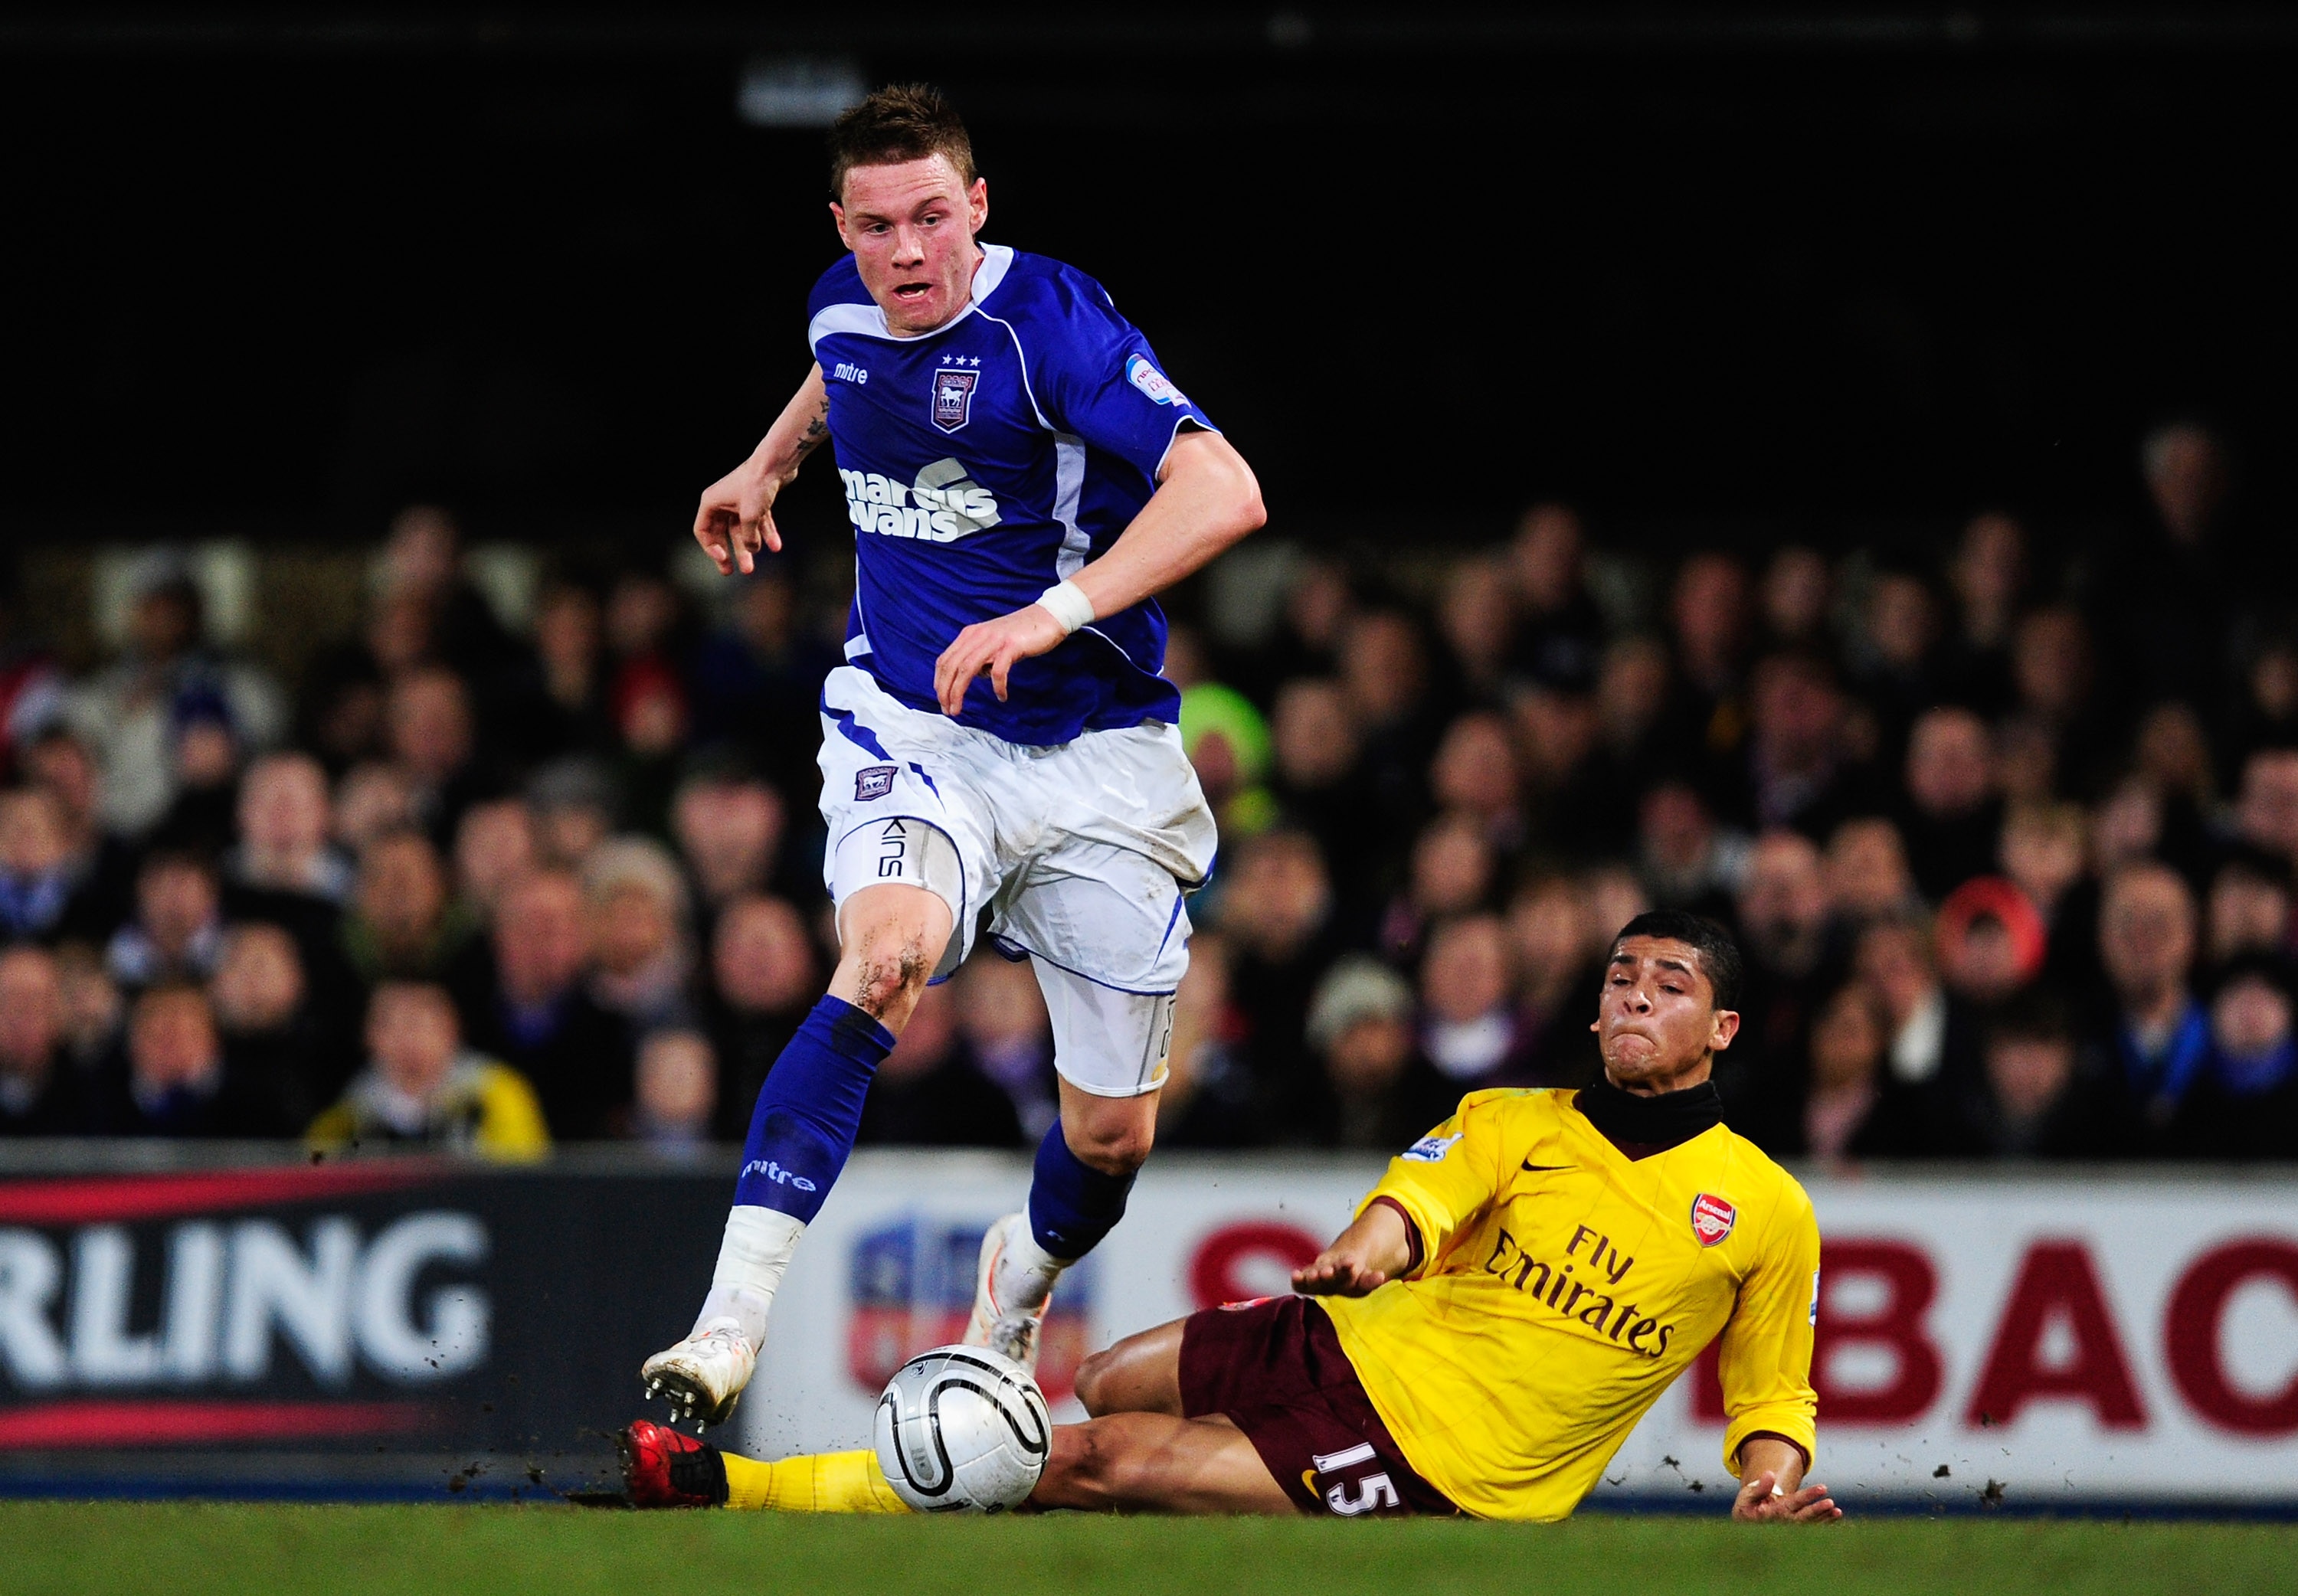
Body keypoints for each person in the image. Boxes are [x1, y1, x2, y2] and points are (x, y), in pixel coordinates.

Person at [640, 83, 1265, 1428]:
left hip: (1097, 750)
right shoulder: (842, 297)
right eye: (877, 226)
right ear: (841, 226)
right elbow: (843, 361)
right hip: (911, 720)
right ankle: (722, 1332)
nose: (908, 253)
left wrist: (1049, 612)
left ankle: (1011, 1302)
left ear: (978, 206)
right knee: (884, 960)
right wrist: (766, 463)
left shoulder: (1052, 324)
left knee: (1110, 1137)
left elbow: (1227, 488)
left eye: (933, 217)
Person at [620, 911, 1834, 1526]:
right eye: (1622, 979)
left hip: (1445, 1465)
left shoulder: (1767, 1213)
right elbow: (1415, 1205)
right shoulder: (1517, 1116)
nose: (1634, 1000)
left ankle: (735, 1490)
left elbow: (1775, 1396)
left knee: (1085, 1459)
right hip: (1352, 1339)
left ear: (1721, 1031)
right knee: (1100, 1379)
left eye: (1669, 990)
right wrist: (1363, 1256)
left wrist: (1772, 1483)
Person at [308, 980, 549, 1162]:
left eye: (422, 1023)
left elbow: (526, 1173)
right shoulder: (347, 1118)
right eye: (392, 1025)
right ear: (369, 1037)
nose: (409, 1039)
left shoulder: (496, 1095)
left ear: (453, 1030)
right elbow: (312, 1174)